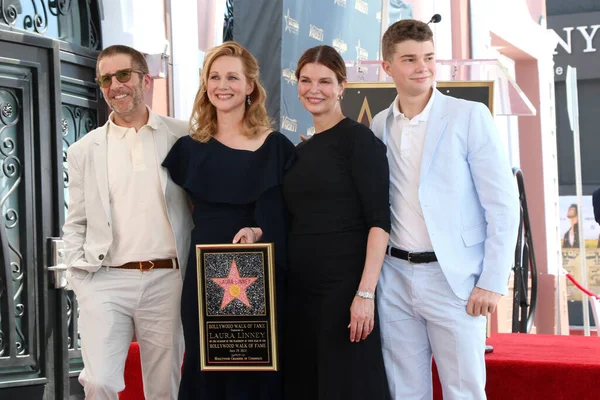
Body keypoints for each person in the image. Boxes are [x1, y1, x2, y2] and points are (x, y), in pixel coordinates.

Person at [370, 20, 520, 399]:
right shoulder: (378, 125)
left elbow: (502, 204)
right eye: (410, 59)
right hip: (395, 278)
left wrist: (491, 280)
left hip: (454, 280)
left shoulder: (469, 116)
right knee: (404, 391)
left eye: (429, 57)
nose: (423, 67)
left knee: (464, 390)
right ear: (387, 67)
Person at [162, 41, 295, 400]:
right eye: (214, 76)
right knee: (206, 370)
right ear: (206, 85)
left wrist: (258, 231)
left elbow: (289, 216)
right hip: (204, 277)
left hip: (261, 274)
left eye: (233, 77)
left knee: (257, 373)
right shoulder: (187, 150)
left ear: (251, 85)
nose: (223, 85)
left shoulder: (277, 147)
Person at [62, 45, 192, 399]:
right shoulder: (83, 150)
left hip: (167, 278)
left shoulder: (184, 136)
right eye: (106, 78)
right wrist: (79, 278)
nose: (115, 85)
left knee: (164, 386)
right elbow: (76, 220)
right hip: (105, 279)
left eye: (123, 75)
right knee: (99, 381)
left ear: (145, 80)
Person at [282, 45, 391, 400]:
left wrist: (364, 294)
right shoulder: (299, 152)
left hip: (345, 293)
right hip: (301, 293)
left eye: (325, 81)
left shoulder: (359, 141)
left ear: (342, 86)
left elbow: (379, 222)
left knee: (346, 387)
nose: (314, 89)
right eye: (306, 80)